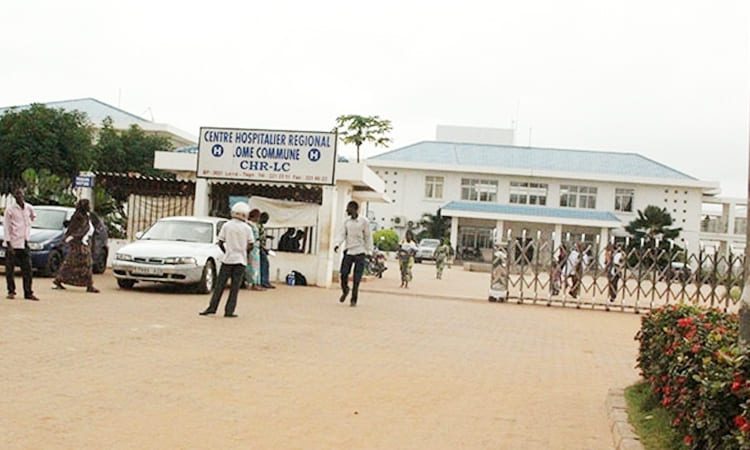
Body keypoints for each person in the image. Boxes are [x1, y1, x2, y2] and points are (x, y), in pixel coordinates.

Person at [200, 202, 254, 318]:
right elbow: (251, 245)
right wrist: (244, 252)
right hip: (240, 261)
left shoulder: (227, 225)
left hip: (227, 260)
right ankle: (229, 311)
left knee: (219, 286)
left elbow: (220, 242)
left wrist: (227, 251)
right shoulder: (247, 228)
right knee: (234, 288)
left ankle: (212, 308)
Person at [53, 199, 99, 293]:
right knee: (74, 263)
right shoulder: (78, 216)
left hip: (84, 242)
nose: (89, 207)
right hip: (78, 243)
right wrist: (71, 238)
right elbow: (73, 229)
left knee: (84, 264)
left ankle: (88, 284)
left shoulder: (86, 216)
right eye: (87, 205)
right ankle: (59, 280)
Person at [334, 200, 373, 307]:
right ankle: (345, 289)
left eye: (349, 208)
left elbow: (368, 236)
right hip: (349, 251)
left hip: (360, 251)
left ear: (355, 209)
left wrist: (369, 251)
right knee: (344, 274)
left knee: (357, 278)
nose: (347, 210)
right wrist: (337, 244)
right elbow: (342, 234)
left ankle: (354, 299)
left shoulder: (364, 221)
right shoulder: (346, 222)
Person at [3, 188, 38, 301]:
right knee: (10, 270)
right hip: (13, 243)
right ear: (14, 196)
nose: (19, 196)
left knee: (27, 269)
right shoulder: (10, 210)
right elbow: (7, 227)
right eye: (17, 194)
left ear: (24, 194)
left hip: (25, 242)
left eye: (21, 193)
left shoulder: (29, 208)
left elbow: (33, 217)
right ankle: (11, 291)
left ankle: (28, 292)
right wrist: (9, 244)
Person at [245, 209, 264, 291]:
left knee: (256, 266)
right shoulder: (249, 225)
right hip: (252, 247)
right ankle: (252, 283)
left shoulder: (254, 225)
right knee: (252, 267)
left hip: (256, 247)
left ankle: (256, 283)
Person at [258, 211, 274, 289]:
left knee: (263, 264)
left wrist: (268, 237)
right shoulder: (258, 226)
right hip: (260, 248)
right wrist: (264, 248)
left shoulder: (261, 226)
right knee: (265, 264)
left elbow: (261, 236)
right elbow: (258, 238)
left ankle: (264, 281)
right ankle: (264, 281)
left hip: (261, 247)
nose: (267, 221)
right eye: (266, 219)